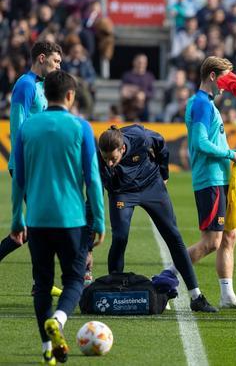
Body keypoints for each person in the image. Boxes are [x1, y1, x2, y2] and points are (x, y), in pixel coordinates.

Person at [10, 70, 105, 364]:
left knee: (42, 284)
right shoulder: (81, 127)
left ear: (45, 93)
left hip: (37, 218)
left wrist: (17, 218)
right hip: (71, 219)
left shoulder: (27, 129)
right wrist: (100, 219)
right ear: (70, 95)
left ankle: (47, 351)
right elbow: (92, 177)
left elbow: (19, 179)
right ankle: (60, 321)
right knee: (75, 279)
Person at [97, 124, 218, 312]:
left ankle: (196, 296)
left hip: (152, 186)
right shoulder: (101, 158)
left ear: (122, 149)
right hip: (123, 194)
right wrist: (111, 181)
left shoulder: (139, 136)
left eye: (113, 158)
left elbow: (161, 143)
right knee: (120, 237)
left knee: (173, 236)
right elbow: (103, 183)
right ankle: (115, 291)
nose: (109, 163)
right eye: (106, 159)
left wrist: (164, 173)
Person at [178, 56, 236, 309]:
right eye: (224, 78)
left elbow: (211, 141)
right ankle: (165, 278)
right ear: (213, 76)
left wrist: (233, 151)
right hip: (209, 179)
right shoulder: (201, 103)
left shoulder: (208, 104)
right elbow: (201, 143)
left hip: (220, 177)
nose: (227, 85)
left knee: (229, 236)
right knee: (212, 241)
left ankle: (227, 295)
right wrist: (230, 154)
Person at [1, 42, 62, 294]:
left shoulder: (41, 86)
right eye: (56, 61)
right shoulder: (25, 85)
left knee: (36, 224)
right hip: (27, 164)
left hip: (39, 164)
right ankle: (42, 284)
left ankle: (42, 283)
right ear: (41, 58)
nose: (59, 66)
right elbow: (17, 128)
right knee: (41, 224)